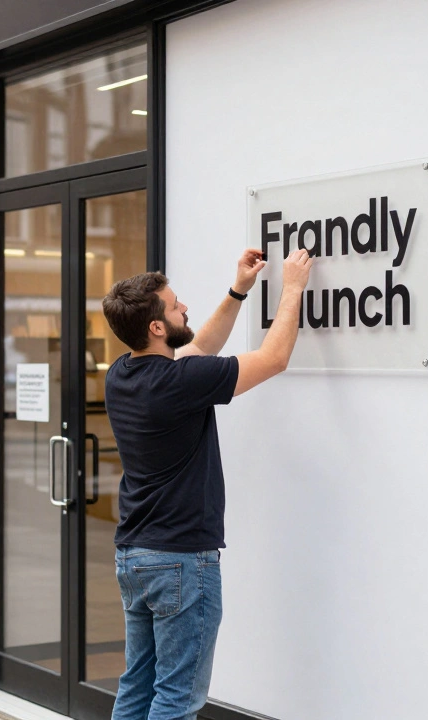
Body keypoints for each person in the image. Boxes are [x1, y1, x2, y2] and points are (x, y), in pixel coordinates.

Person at [101, 248, 312, 719]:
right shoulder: (180, 381)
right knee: (177, 697)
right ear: (157, 327)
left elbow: (200, 348)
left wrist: (239, 290)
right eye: (176, 305)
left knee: (137, 685)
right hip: (179, 560)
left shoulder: (122, 375)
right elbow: (274, 358)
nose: (184, 308)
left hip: (135, 556)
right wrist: (293, 286)